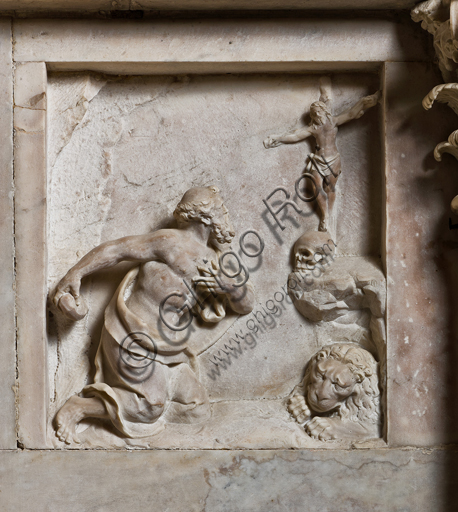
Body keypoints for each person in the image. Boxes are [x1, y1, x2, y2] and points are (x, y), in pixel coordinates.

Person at [52, 185, 255, 444]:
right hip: (132, 335)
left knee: (197, 408)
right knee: (150, 406)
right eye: (221, 210)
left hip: (170, 346)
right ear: (206, 216)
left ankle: (166, 458)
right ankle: (79, 407)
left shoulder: (216, 259)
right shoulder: (169, 242)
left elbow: (247, 304)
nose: (226, 215)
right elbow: (116, 250)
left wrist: (231, 288)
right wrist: (75, 274)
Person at [264, 77, 380, 232]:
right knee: (315, 187)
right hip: (318, 160)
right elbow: (296, 135)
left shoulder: (333, 122)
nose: (316, 116)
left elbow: (352, 113)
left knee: (329, 188)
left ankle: (329, 214)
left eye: (317, 112)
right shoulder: (314, 128)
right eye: (313, 114)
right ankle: (324, 216)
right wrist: (277, 137)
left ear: (324, 111)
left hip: (333, 160)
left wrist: (367, 101)